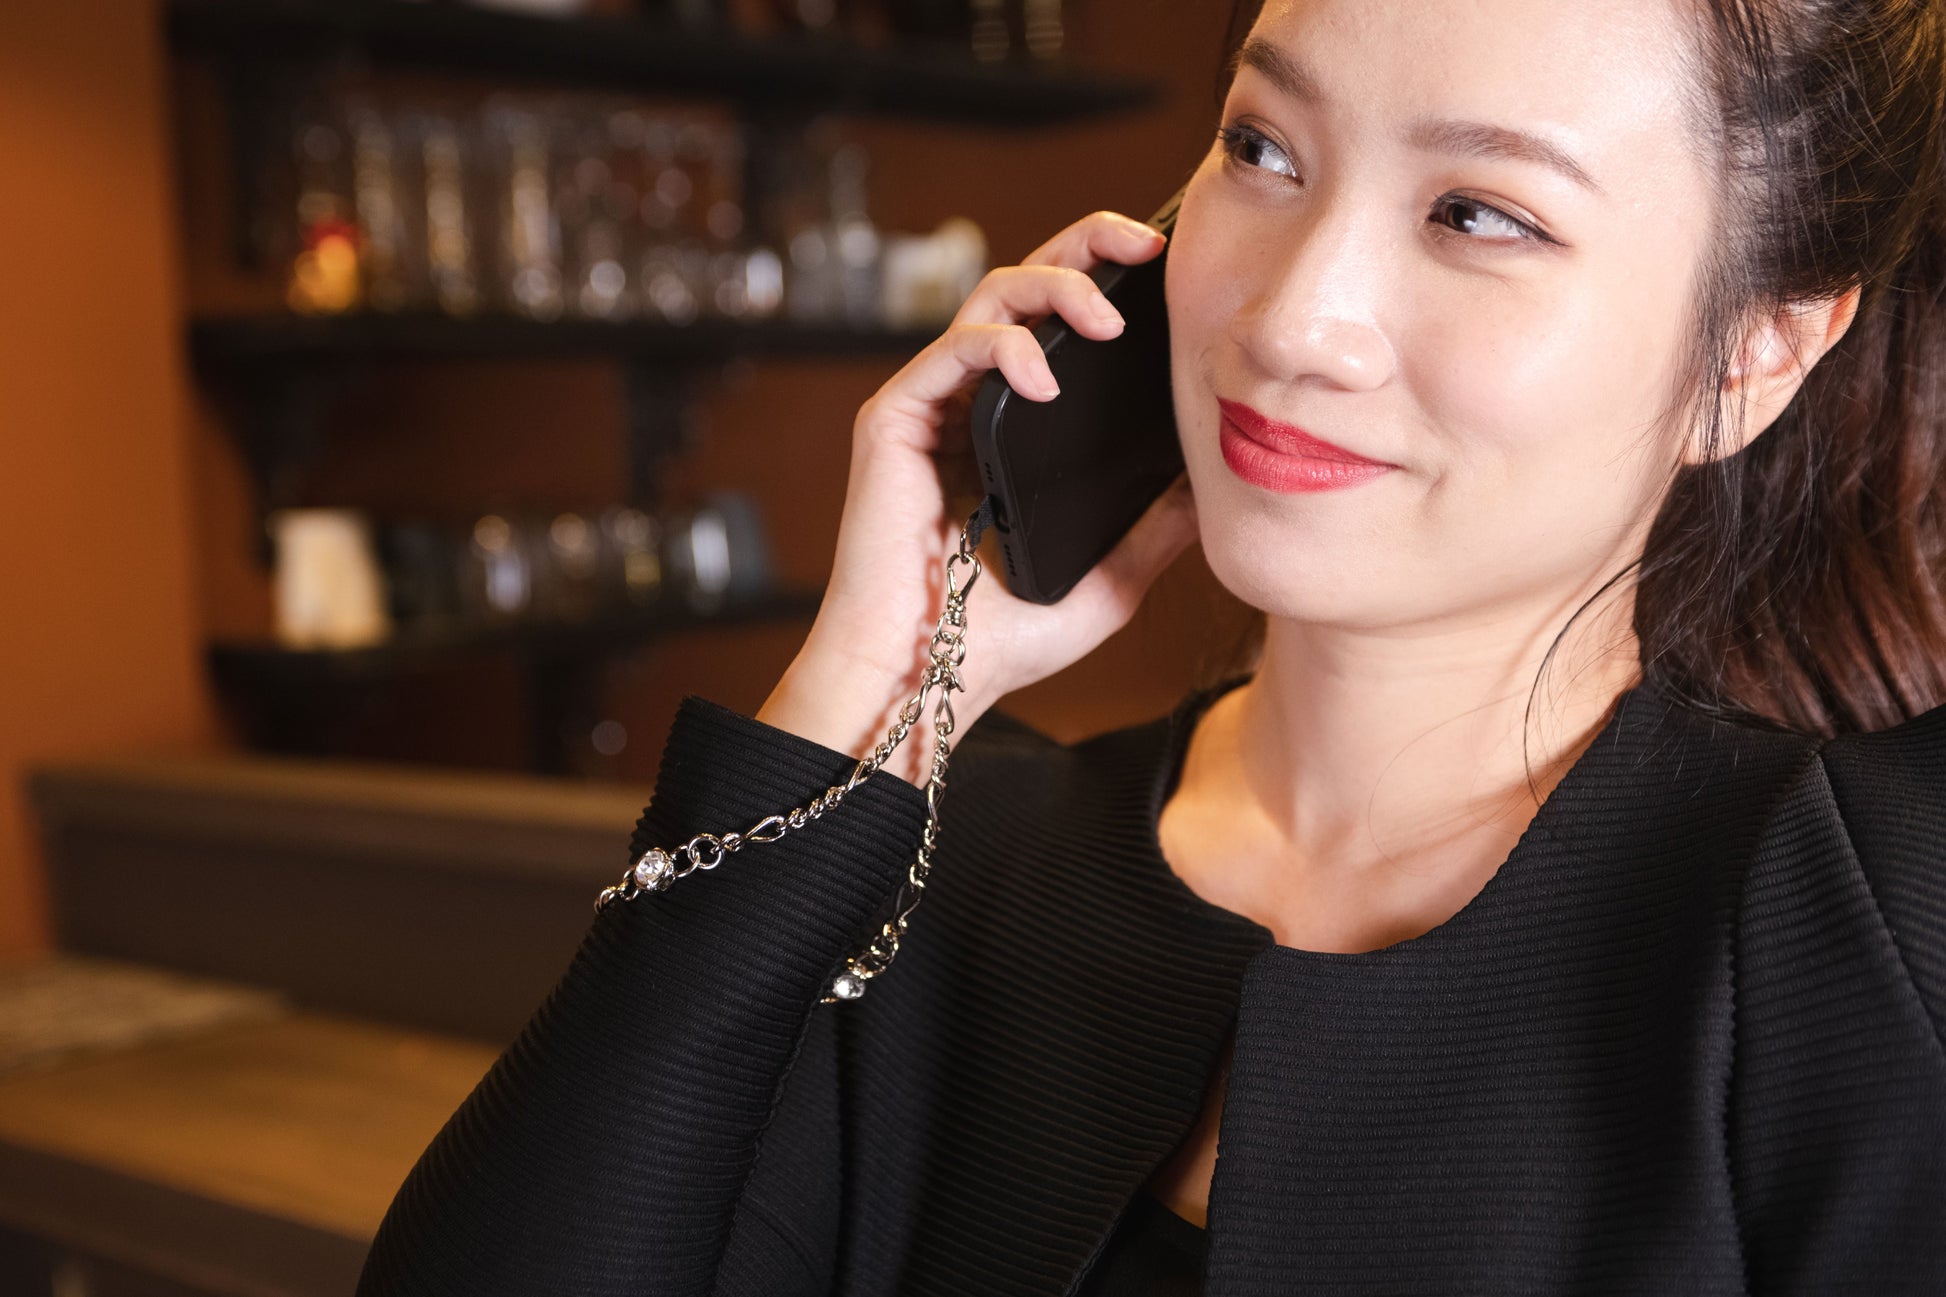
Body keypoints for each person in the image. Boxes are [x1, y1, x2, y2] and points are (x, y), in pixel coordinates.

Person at [356, 0, 1946, 1291]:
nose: (1288, 318)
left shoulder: (1856, 937)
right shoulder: (948, 856)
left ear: (1756, 353)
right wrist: (878, 684)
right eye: (1262, 148)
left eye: (1478, 214)